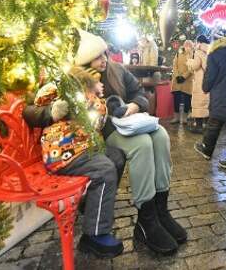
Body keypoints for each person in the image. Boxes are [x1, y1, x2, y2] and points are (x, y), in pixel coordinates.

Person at [74, 30, 187, 254]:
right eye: (97, 57)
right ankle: (146, 220)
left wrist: (134, 106)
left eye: (104, 54)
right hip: (105, 134)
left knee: (161, 136)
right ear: (85, 60)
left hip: (129, 124)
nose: (103, 59)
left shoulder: (117, 70)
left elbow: (139, 94)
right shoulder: (77, 80)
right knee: (142, 144)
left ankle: (161, 211)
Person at [23, 67, 125, 258]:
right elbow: (33, 107)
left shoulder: (92, 98)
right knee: (105, 170)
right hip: (63, 153)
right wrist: (53, 111)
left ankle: (91, 206)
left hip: (84, 147)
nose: (100, 81)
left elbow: (98, 124)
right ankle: (94, 235)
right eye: (96, 79)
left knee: (117, 157)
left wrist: (100, 100)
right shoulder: (63, 90)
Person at [194, 29, 226, 172]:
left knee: (214, 124)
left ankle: (209, 150)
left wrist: (205, 87)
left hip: (220, 96)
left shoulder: (214, 55)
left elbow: (210, 77)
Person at [186, 35, 210, 134]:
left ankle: (199, 126)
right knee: (206, 102)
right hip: (207, 80)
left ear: (199, 42)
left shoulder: (199, 51)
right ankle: (207, 125)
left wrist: (189, 61)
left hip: (200, 81)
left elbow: (196, 65)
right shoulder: (209, 51)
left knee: (198, 102)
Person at [170, 40, 194, 125]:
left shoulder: (193, 55)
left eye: (189, 45)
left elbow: (192, 68)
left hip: (187, 81)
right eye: (185, 44)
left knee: (187, 99)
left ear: (192, 46)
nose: (187, 46)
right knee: (176, 99)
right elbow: (174, 65)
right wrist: (177, 76)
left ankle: (184, 118)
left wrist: (184, 77)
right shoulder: (179, 53)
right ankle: (176, 117)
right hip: (177, 80)